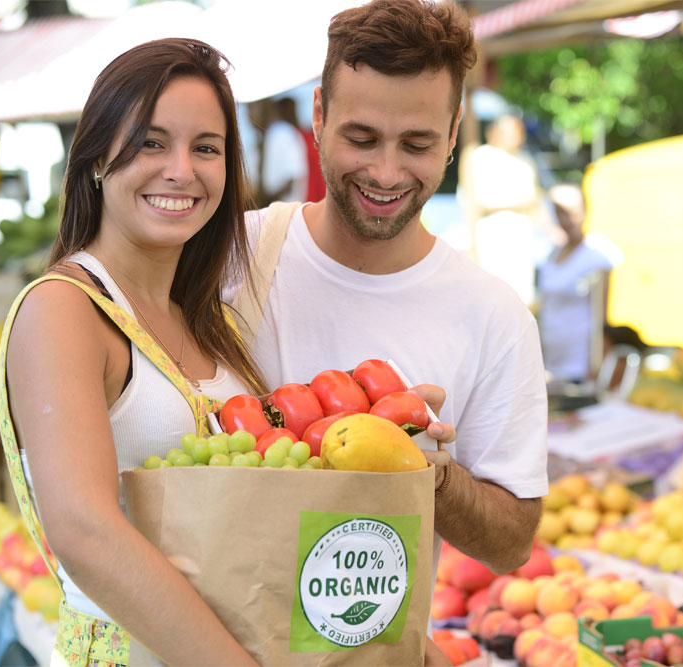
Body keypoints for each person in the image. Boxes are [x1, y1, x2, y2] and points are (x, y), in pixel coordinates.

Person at [0, 37, 456, 666]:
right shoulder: (63, 310)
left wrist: (380, 632)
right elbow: (85, 531)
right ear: (97, 157)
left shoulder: (208, 325)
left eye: (206, 148)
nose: (181, 169)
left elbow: (262, 509)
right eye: (151, 142)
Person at [230, 0, 547, 583]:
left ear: (453, 134)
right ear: (320, 116)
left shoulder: (494, 317)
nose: (385, 172)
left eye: (417, 144)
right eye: (362, 137)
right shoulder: (228, 261)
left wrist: (425, 468)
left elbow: (511, 544)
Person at [461, 114, 554, 305]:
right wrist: (519, 204)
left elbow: (536, 200)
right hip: (491, 241)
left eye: (519, 133)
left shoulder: (526, 160)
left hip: (520, 244)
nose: (517, 138)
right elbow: (476, 203)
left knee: (519, 301)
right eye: (511, 133)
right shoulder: (480, 157)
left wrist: (551, 230)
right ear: (494, 134)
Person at [536, 183, 623, 384]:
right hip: (552, 360)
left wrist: (598, 363)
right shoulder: (552, 255)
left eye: (572, 212)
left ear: (585, 210)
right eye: (560, 212)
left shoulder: (596, 255)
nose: (567, 219)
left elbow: (602, 315)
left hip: (580, 362)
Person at [260, 96, 308, 205]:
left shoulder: (282, 132)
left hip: (284, 205)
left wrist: (270, 200)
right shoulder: (279, 132)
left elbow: (293, 175)